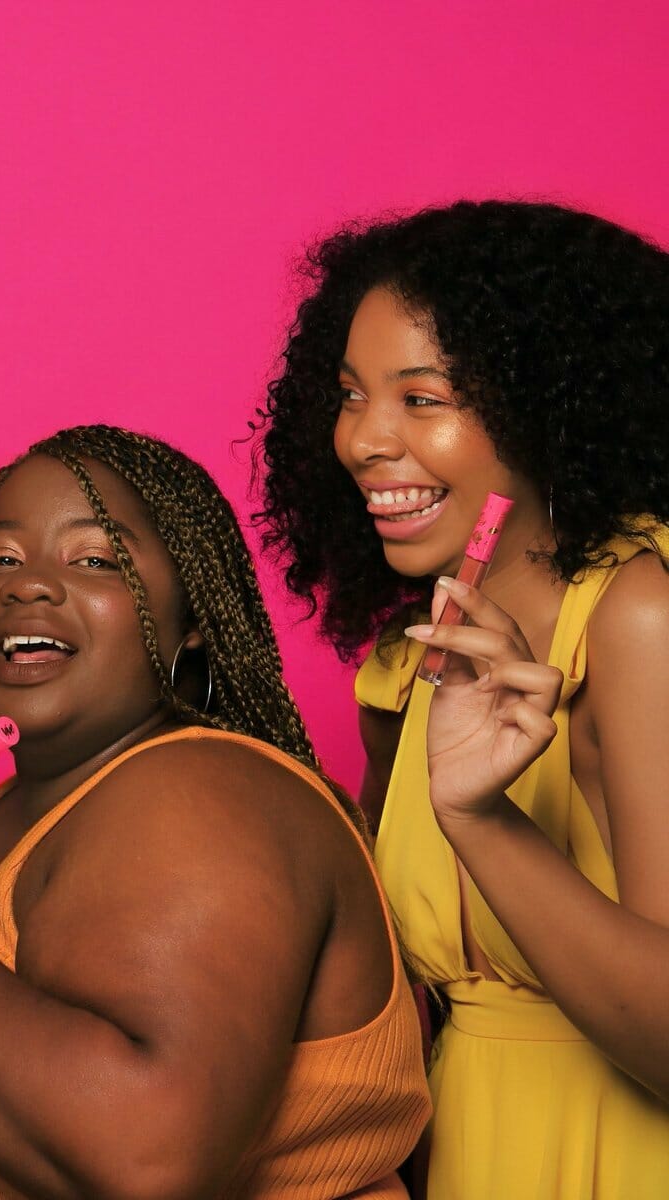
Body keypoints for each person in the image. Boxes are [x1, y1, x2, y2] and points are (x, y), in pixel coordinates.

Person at [0, 425, 430, 1198]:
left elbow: (144, 1159)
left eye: (96, 559)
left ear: (195, 613)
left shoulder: (203, 793)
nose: (28, 585)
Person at [253, 199, 669, 1198]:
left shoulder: (640, 618)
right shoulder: (409, 665)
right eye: (352, 396)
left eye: (423, 398)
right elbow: (384, 1001)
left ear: (546, 404)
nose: (364, 441)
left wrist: (481, 821)